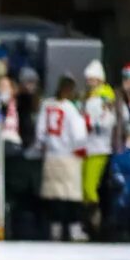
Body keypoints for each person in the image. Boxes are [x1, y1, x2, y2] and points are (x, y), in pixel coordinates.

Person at [40, 75, 89, 241]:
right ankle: (74, 229)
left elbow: (40, 132)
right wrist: (81, 149)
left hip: (51, 156)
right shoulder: (70, 108)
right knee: (72, 195)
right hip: (69, 156)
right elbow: (78, 133)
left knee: (54, 195)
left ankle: (55, 229)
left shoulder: (47, 105)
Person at [1, 68, 46, 241]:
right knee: (15, 193)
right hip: (15, 153)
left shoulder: (36, 102)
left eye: (33, 82)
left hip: (29, 154)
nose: (30, 86)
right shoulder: (17, 101)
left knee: (30, 195)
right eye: (27, 82)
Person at [80, 60, 117, 232]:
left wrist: (92, 124)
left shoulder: (104, 96)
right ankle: (89, 220)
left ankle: (94, 219)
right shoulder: (91, 96)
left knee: (89, 186)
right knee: (84, 188)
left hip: (99, 148)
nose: (89, 82)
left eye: (92, 79)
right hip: (88, 147)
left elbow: (108, 120)